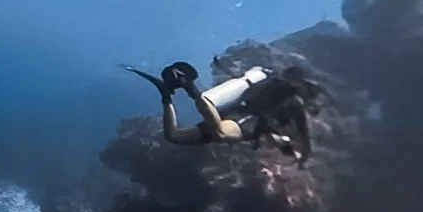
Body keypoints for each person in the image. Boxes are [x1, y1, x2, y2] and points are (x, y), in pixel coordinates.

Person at [123, 60, 321, 165]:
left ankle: (165, 95)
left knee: (173, 136)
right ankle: (190, 88)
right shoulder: (295, 104)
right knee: (221, 133)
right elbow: (304, 137)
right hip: (247, 120)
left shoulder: (275, 89)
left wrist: (289, 150)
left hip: (234, 110)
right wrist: (304, 157)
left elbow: (276, 139)